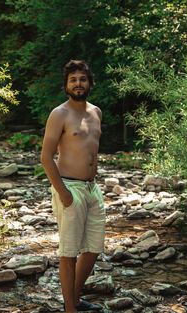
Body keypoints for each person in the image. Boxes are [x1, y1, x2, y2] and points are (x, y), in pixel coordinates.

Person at [41, 60, 105, 313]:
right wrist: (63, 193)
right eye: (73, 80)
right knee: (69, 253)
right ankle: (70, 309)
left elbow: (93, 150)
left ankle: (75, 299)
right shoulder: (59, 114)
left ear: (90, 83)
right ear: (66, 85)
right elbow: (46, 157)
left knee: (93, 249)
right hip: (69, 187)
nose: (78, 84)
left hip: (91, 188)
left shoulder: (96, 112)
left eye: (82, 79)